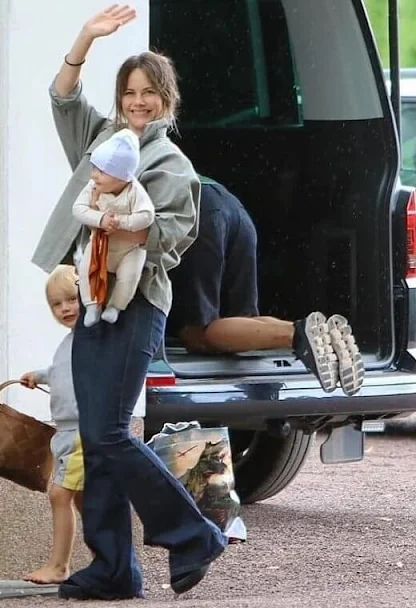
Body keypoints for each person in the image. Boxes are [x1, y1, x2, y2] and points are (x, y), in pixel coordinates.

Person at [31, 5, 227, 601]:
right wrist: (85, 39)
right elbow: (63, 99)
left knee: (111, 433)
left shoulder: (172, 164)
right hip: (94, 304)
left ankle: (193, 534)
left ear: (166, 100)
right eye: (130, 92)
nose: (138, 102)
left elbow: (174, 235)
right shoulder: (102, 141)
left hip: (135, 305)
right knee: (96, 438)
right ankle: (113, 568)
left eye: (149, 93)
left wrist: (126, 228)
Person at [167, 176, 365, 397]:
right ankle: (316, 333)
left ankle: (298, 335)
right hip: (232, 206)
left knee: (196, 334)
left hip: (196, 211)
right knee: (244, 323)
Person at [19, 265, 84, 585]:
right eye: (57, 304)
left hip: (81, 432)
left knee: (59, 494)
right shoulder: (68, 344)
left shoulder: (92, 336)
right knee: (83, 498)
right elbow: (62, 371)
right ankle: (108, 558)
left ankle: (59, 566)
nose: (65, 309)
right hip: (67, 430)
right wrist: (39, 375)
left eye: (72, 299)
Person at [72, 128, 155, 326]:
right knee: (86, 269)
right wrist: (100, 219)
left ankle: (115, 307)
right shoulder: (93, 187)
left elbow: (147, 216)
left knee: (129, 277)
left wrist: (121, 222)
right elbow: (78, 209)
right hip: (101, 245)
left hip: (129, 250)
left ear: (121, 177)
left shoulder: (135, 191)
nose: (94, 176)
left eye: (101, 171)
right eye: (94, 169)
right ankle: (92, 305)